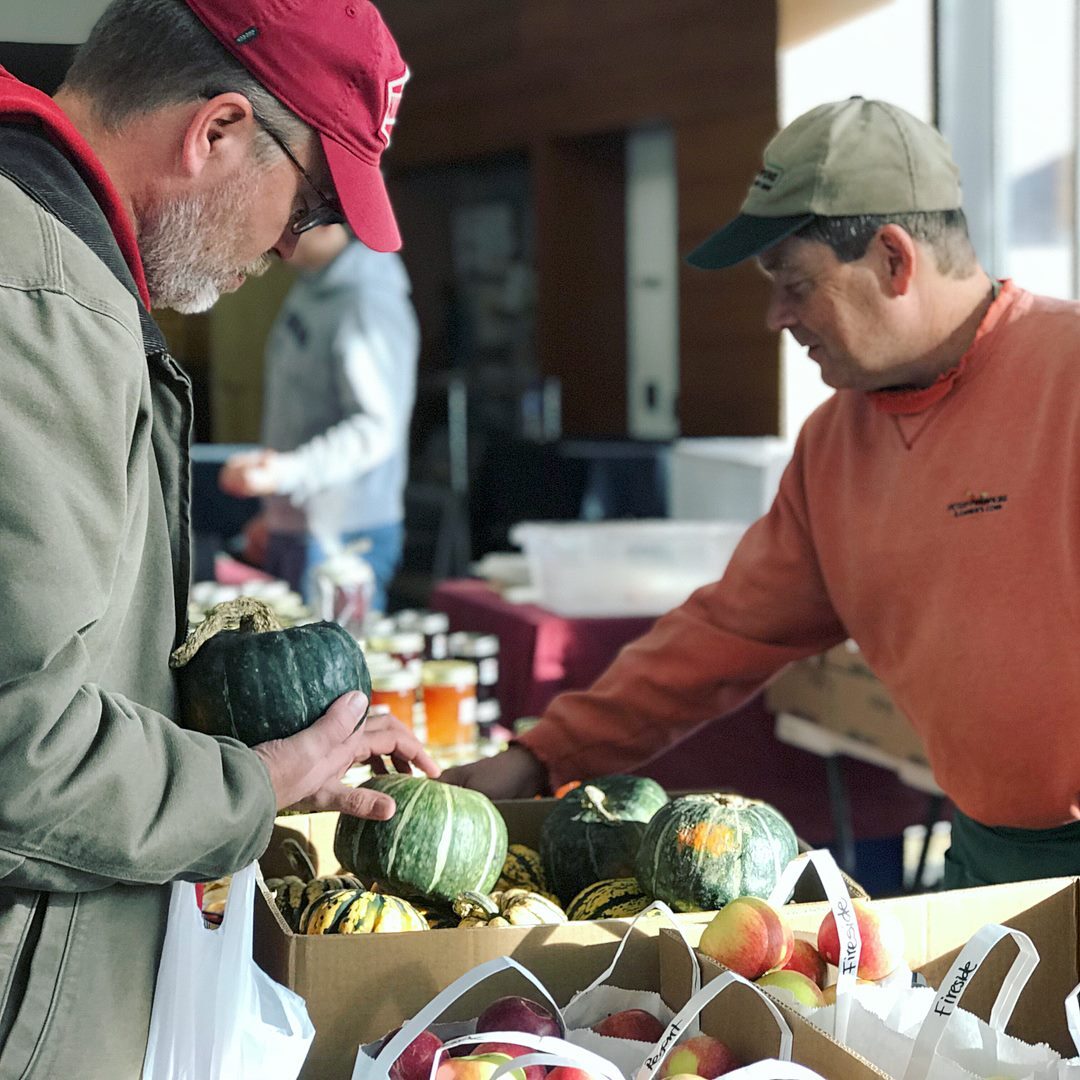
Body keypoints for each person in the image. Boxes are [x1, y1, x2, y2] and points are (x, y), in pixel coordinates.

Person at [443, 95, 1080, 891]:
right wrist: (541, 755)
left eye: (796, 284)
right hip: (989, 852)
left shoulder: (1068, 376)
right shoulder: (834, 448)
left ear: (893, 259)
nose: (776, 316)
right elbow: (719, 637)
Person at [0, 0, 436, 1075]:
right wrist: (252, 786)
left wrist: (238, 749)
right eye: (312, 198)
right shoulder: (44, 300)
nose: (294, 240)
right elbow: (21, 745)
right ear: (219, 131)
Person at [217, 223, 419, 614]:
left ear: (327, 222)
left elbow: (376, 429)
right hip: (300, 527)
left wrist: (285, 474)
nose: (273, 231)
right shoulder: (312, 284)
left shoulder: (367, 299)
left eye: (293, 213)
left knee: (331, 673)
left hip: (345, 534)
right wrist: (278, 513)